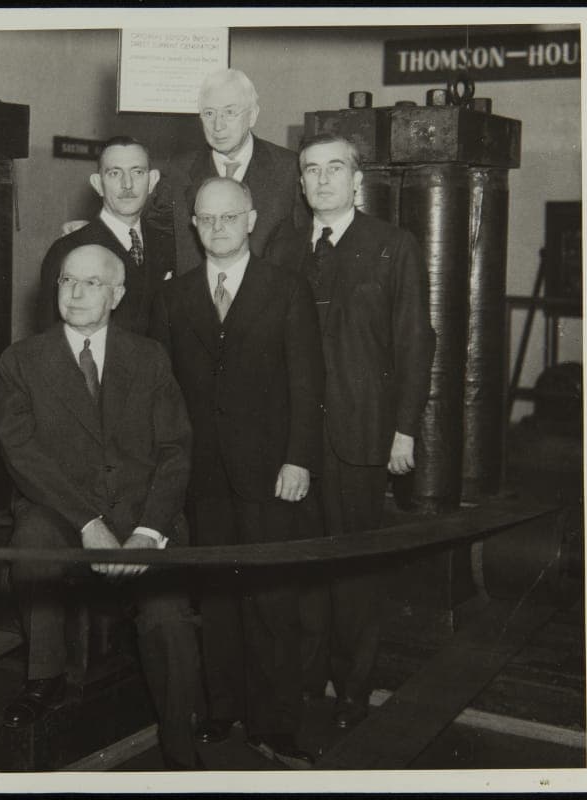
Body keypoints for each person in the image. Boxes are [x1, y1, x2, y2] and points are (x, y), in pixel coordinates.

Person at [0, 243, 202, 770]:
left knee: (167, 614)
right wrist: (87, 523)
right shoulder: (22, 360)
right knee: (32, 538)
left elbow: (175, 451)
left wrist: (148, 533)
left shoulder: (149, 357)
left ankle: (181, 741)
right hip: (64, 513)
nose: (77, 293)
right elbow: (24, 457)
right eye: (68, 281)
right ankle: (44, 676)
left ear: (117, 294)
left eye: (92, 283)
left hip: (140, 518)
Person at [149, 177, 324, 768]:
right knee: (218, 596)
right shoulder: (176, 297)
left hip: (273, 470)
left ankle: (276, 726)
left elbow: (307, 382)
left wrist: (298, 457)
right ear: (194, 225)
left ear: (251, 220)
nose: (217, 227)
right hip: (204, 475)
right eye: (206, 218)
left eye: (229, 217)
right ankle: (221, 710)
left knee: (272, 599)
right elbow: (166, 393)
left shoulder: (286, 289)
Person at [265, 133, 435, 730]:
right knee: (303, 570)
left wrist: (405, 430)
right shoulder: (282, 246)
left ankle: (354, 694)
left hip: (360, 438)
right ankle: (307, 687)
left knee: (356, 575)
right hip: (291, 444)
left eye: (335, 169)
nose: (322, 180)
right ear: (301, 182)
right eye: (311, 170)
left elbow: (417, 343)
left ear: (357, 179)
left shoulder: (393, 245)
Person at [146, 67, 309, 275]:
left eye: (229, 112)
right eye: (209, 113)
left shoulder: (289, 169)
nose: (218, 125)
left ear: (252, 116)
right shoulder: (178, 172)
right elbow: (158, 244)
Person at [36, 136, 173, 335]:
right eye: (115, 173)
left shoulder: (167, 244)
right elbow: (50, 337)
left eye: (137, 172)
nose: (127, 184)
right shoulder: (68, 249)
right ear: (98, 183)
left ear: (152, 181)